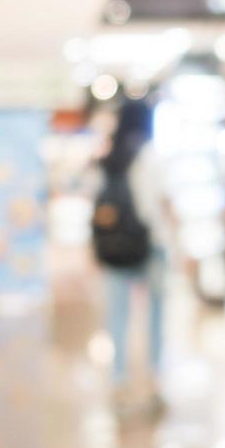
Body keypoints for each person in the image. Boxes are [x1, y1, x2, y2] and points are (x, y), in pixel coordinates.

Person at [92, 99, 170, 415]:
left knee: (117, 315)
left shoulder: (110, 159)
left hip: (115, 247)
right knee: (155, 314)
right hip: (151, 245)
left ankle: (119, 379)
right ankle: (153, 376)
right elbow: (165, 204)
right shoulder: (151, 157)